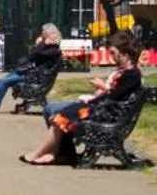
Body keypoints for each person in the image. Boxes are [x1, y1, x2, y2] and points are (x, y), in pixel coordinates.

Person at [20, 31, 144, 165]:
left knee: (58, 117)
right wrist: (93, 99)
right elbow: (113, 96)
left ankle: (42, 153)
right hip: (103, 110)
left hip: (105, 114)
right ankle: (56, 153)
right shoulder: (126, 73)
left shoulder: (132, 74)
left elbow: (113, 96)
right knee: (57, 114)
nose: (111, 57)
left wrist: (95, 97)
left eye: (113, 53)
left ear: (125, 54)